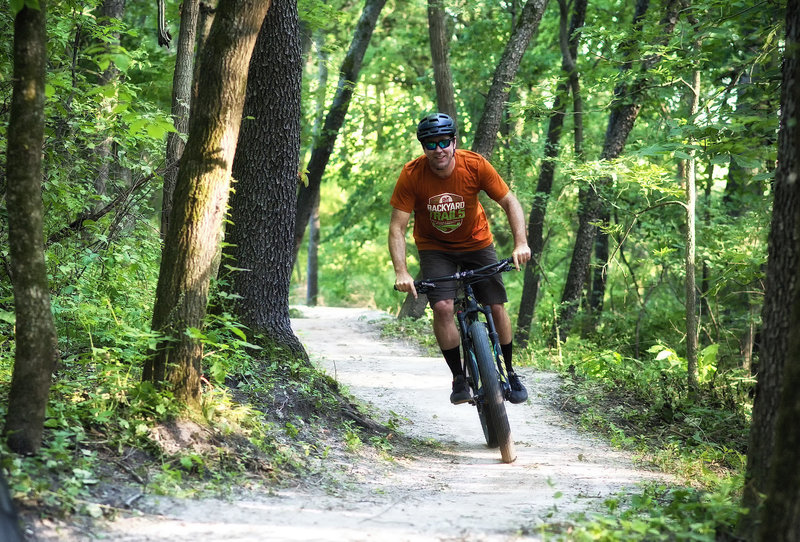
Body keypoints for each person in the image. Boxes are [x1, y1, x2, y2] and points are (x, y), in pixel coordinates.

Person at [389, 112, 532, 405]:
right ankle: (458, 377)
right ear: (423, 147)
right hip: (434, 247)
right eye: (431, 144)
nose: (438, 149)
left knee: (495, 303)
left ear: (454, 142)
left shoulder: (474, 165)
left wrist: (521, 243)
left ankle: (510, 370)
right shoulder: (412, 175)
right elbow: (397, 228)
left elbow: (509, 201)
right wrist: (401, 271)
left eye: (444, 141)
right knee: (442, 307)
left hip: (477, 243)